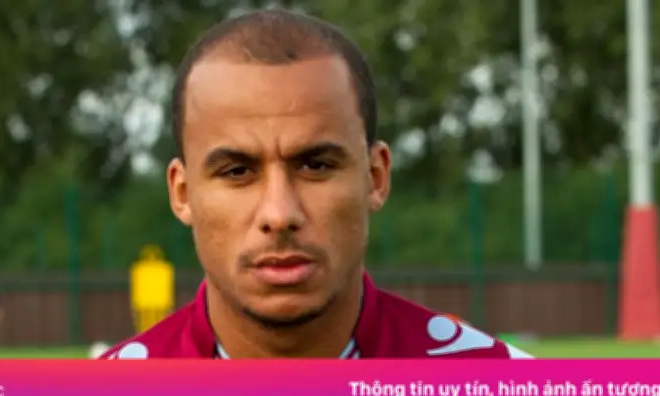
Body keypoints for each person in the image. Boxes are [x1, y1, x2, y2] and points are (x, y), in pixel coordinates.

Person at [102, 9, 532, 359]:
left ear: (375, 177)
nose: (279, 214)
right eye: (237, 172)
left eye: (316, 165)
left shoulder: (506, 394)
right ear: (182, 193)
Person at [129, 245, 175, 333]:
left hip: (156, 302)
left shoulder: (163, 268)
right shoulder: (163, 268)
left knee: (154, 324)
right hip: (148, 302)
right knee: (149, 325)